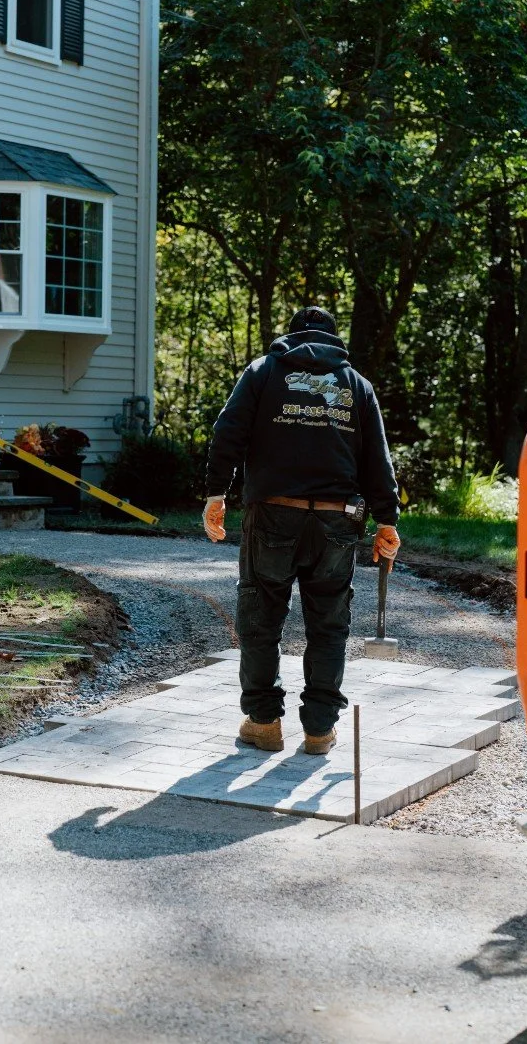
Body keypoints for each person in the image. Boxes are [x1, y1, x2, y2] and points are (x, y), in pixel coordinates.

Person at [203, 306, 400, 754]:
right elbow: (377, 460)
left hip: (273, 514)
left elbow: (228, 432)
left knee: (260, 620)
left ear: (290, 336)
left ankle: (264, 722)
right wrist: (387, 520)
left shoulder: (263, 372)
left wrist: (217, 494)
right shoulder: (357, 387)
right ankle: (318, 730)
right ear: (335, 339)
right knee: (328, 626)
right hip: (337, 519)